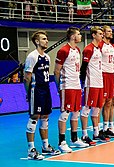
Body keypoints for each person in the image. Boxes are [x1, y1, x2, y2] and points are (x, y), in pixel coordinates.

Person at [24, 30, 60, 160]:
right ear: (37, 41)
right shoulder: (32, 56)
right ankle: (31, 149)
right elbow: (27, 77)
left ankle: (45, 146)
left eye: (46, 38)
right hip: (36, 89)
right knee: (35, 116)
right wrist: (28, 92)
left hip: (46, 89)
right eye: (44, 39)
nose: (46, 40)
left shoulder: (47, 57)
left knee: (45, 116)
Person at [54, 27, 89, 153]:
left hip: (76, 85)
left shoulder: (77, 49)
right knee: (65, 113)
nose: (80, 36)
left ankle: (74, 139)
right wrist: (59, 87)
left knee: (76, 112)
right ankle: (61, 142)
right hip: (67, 85)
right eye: (79, 34)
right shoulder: (63, 50)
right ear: (73, 36)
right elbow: (56, 71)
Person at [80, 26, 110, 143]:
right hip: (91, 82)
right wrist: (83, 81)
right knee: (86, 108)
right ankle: (84, 135)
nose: (102, 35)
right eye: (99, 34)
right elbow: (84, 67)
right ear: (93, 35)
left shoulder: (98, 48)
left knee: (97, 109)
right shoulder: (89, 49)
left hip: (99, 82)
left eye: (102, 34)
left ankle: (96, 133)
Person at [99, 25, 114, 137]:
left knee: (109, 102)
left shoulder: (112, 46)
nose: (110, 33)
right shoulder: (100, 45)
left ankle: (106, 127)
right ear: (103, 33)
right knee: (101, 103)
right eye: (108, 31)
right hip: (103, 75)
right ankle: (97, 130)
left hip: (111, 75)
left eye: (111, 31)